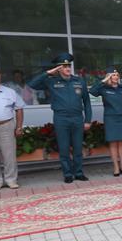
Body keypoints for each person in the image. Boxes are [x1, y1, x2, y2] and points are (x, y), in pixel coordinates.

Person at [28, 53, 93, 183]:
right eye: (64, 66)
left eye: (69, 65)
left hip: (77, 118)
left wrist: (88, 120)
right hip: (61, 118)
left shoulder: (79, 81)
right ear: (58, 68)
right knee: (63, 148)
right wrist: (48, 72)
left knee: (78, 147)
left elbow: (87, 102)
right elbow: (32, 84)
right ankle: (68, 174)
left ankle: (79, 172)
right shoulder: (52, 81)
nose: (68, 68)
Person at [89, 66, 122, 177]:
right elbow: (92, 91)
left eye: (117, 75)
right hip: (111, 118)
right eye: (113, 75)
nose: (116, 77)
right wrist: (103, 81)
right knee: (113, 143)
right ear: (108, 76)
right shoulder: (104, 88)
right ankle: (116, 167)